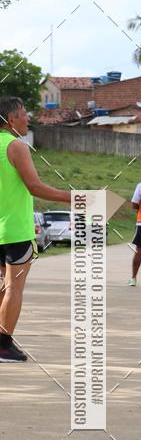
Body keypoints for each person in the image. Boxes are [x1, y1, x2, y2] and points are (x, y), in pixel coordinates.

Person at [0, 96, 71, 362]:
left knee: (3, 288)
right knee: (13, 288)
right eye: (23, 114)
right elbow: (35, 186)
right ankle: (4, 346)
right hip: (15, 230)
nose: (28, 119)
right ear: (10, 120)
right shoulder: (16, 146)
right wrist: (75, 198)